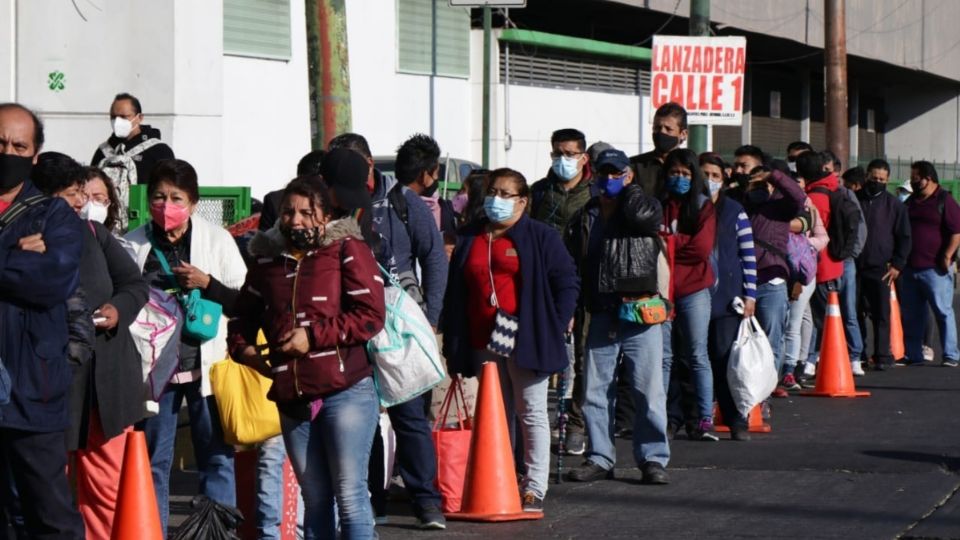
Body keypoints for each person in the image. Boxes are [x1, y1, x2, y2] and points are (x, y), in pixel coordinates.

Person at [229, 176, 385, 540]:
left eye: (305, 212)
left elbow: (371, 315)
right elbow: (242, 314)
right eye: (288, 212)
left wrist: (312, 336)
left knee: (350, 498)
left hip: (347, 392)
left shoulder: (348, 249)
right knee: (315, 499)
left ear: (325, 216)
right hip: (292, 397)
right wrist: (244, 350)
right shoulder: (267, 259)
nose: (295, 220)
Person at [443, 167, 579, 512]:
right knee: (495, 414)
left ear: (522, 201)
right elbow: (456, 289)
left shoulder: (540, 236)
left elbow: (567, 283)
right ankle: (500, 478)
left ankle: (534, 486)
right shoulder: (471, 235)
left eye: (505, 194)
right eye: (492, 192)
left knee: (530, 411)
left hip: (527, 337)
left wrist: (554, 324)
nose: (496, 200)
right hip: (482, 338)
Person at [125, 159, 246, 535]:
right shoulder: (133, 243)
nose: (166, 205)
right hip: (155, 368)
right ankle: (154, 530)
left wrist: (206, 282)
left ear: (193, 202)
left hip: (206, 364)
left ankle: (216, 533)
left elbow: (242, 297)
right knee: (153, 459)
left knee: (216, 458)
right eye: (159, 197)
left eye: (176, 197)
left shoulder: (217, 240)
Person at [32, 152, 149, 540]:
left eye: (82, 192)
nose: (81, 202)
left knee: (108, 489)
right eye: (71, 194)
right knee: (50, 490)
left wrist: (117, 309)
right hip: (49, 383)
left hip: (106, 384)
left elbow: (134, 284)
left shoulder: (95, 236)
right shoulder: (24, 238)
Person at [0, 103, 86, 538]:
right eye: (0, 143)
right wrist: (13, 257)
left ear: (35, 156)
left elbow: (52, 281)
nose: (7, 152)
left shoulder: (54, 216)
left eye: (18, 146)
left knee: (49, 515)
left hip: (32, 388)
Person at [566, 148, 671, 485]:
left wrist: (632, 191)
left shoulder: (641, 206)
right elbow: (574, 263)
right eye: (603, 173)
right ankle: (599, 457)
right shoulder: (586, 215)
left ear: (629, 175)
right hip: (601, 309)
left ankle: (653, 458)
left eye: (617, 173)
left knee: (647, 390)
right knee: (596, 390)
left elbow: (646, 219)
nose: (608, 179)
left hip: (640, 309)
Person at [530, 128, 598, 455]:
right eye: (557, 153)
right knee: (542, 354)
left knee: (583, 357)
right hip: (546, 285)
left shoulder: (595, 194)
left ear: (583, 158)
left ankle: (576, 423)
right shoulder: (540, 193)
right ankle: (537, 422)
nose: (562, 159)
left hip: (585, 285)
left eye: (569, 154)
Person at [732, 145, 806, 384]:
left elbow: (799, 197)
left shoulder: (780, 205)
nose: (740, 170)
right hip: (739, 280)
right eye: (737, 166)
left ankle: (765, 393)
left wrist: (772, 176)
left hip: (771, 278)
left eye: (745, 166)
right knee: (738, 339)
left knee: (771, 339)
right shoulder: (735, 201)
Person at [656, 149, 717, 440]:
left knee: (697, 355)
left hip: (694, 289)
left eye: (685, 173)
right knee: (664, 357)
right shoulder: (658, 205)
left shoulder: (704, 207)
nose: (679, 178)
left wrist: (667, 243)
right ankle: (663, 417)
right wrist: (680, 243)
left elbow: (701, 249)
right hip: (663, 291)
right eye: (674, 173)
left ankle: (704, 418)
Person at [700, 153, 756, 439]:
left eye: (715, 175)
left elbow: (748, 256)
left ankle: (736, 418)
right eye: (704, 174)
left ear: (724, 179)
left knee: (725, 360)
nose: (709, 180)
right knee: (694, 360)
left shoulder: (735, 211)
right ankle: (696, 418)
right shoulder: (686, 208)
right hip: (693, 298)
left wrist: (751, 295)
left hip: (726, 300)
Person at [798, 151, 866, 377]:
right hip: (835, 262)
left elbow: (811, 230)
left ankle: (819, 360)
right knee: (836, 314)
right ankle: (838, 358)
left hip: (822, 265)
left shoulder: (815, 197)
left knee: (822, 318)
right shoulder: (835, 190)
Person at [900, 161, 960, 367]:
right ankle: (913, 353)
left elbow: (956, 232)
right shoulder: (910, 202)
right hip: (910, 268)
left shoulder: (945, 200)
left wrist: (947, 255)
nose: (915, 182)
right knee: (912, 315)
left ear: (929, 178)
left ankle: (951, 354)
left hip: (935, 269)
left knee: (943, 311)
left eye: (917, 178)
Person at [855, 159, 912, 371]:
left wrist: (897, 264)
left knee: (881, 314)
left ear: (887, 181)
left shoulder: (894, 205)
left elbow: (904, 237)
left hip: (881, 268)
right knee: (855, 312)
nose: (876, 182)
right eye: (873, 178)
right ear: (867, 176)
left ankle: (881, 355)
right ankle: (858, 354)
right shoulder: (855, 200)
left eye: (881, 179)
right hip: (855, 266)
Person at [91, 93, 175, 231]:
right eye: (113, 117)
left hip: (144, 227)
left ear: (139, 118)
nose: (117, 121)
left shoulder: (159, 151)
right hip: (107, 227)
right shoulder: (103, 151)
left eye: (124, 117)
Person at [630, 102, 688, 196]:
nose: (661, 132)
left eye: (668, 129)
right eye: (657, 128)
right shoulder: (635, 166)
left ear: (683, 134)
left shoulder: (690, 167)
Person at [81, 167, 124, 234]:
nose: (89, 205)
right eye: (84, 197)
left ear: (109, 203)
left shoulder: (118, 243)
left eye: (98, 199)